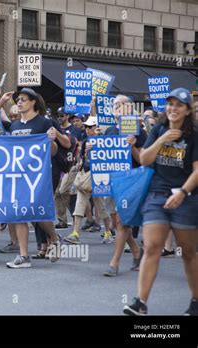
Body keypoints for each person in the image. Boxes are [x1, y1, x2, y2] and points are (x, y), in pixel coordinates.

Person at [124, 88, 198, 316]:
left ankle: (195, 301)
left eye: (179, 105)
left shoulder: (194, 135)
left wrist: (183, 192)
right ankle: (141, 302)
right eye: (170, 104)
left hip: (185, 198)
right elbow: (145, 159)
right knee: (153, 246)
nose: (173, 108)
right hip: (157, 195)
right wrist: (163, 139)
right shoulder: (159, 129)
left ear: (187, 110)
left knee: (188, 251)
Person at [0, 88, 60, 269]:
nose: (19, 103)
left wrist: (51, 140)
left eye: (23, 99)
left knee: (37, 212)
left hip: (37, 176)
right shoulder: (15, 126)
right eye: (17, 100)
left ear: (33, 102)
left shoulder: (44, 123)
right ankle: (23, 256)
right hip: (18, 175)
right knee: (19, 213)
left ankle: (54, 238)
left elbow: (54, 151)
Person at [103, 95, 147, 277]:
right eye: (114, 105)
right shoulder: (110, 131)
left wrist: (133, 147)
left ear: (130, 108)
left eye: (121, 105)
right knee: (116, 223)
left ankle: (114, 263)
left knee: (122, 221)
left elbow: (144, 160)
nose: (117, 108)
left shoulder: (140, 132)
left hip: (132, 181)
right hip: (113, 181)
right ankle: (137, 252)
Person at [63, 116, 114, 245]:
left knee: (101, 206)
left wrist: (99, 142)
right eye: (86, 126)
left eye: (90, 127)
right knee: (80, 204)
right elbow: (82, 159)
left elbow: (109, 157)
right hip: (85, 174)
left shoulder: (105, 141)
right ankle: (75, 233)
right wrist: (85, 152)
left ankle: (108, 232)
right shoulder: (86, 141)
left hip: (98, 177)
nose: (87, 129)